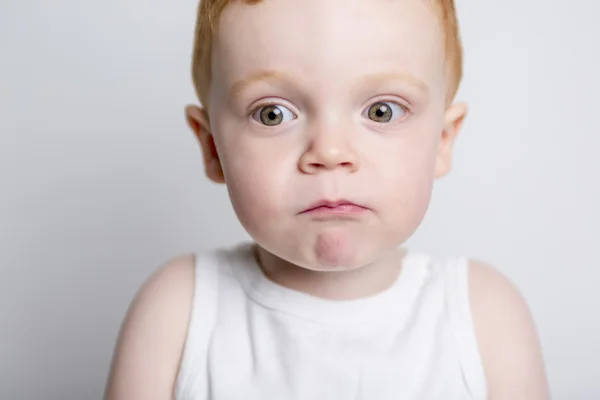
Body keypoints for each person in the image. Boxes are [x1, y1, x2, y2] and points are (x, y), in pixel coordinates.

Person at [104, 0, 549, 398]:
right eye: (272, 113)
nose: (330, 152)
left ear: (443, 141)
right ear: (212, 147)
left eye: (382, 111)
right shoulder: (178, 313)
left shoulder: (484, 318)